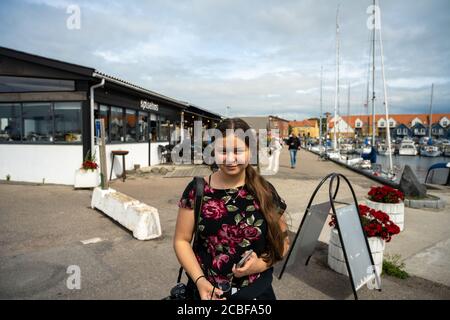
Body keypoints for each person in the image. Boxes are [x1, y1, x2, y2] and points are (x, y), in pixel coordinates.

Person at [173, 118, 289, 300]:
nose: (230, 159)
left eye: (238, 151)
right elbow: (181, 240)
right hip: (208, 295)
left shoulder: (265, 191)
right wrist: (200, 281)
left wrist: (260, 265)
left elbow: (283, 241)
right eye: (222, 151)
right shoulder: (197, 190)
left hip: (257, 294)